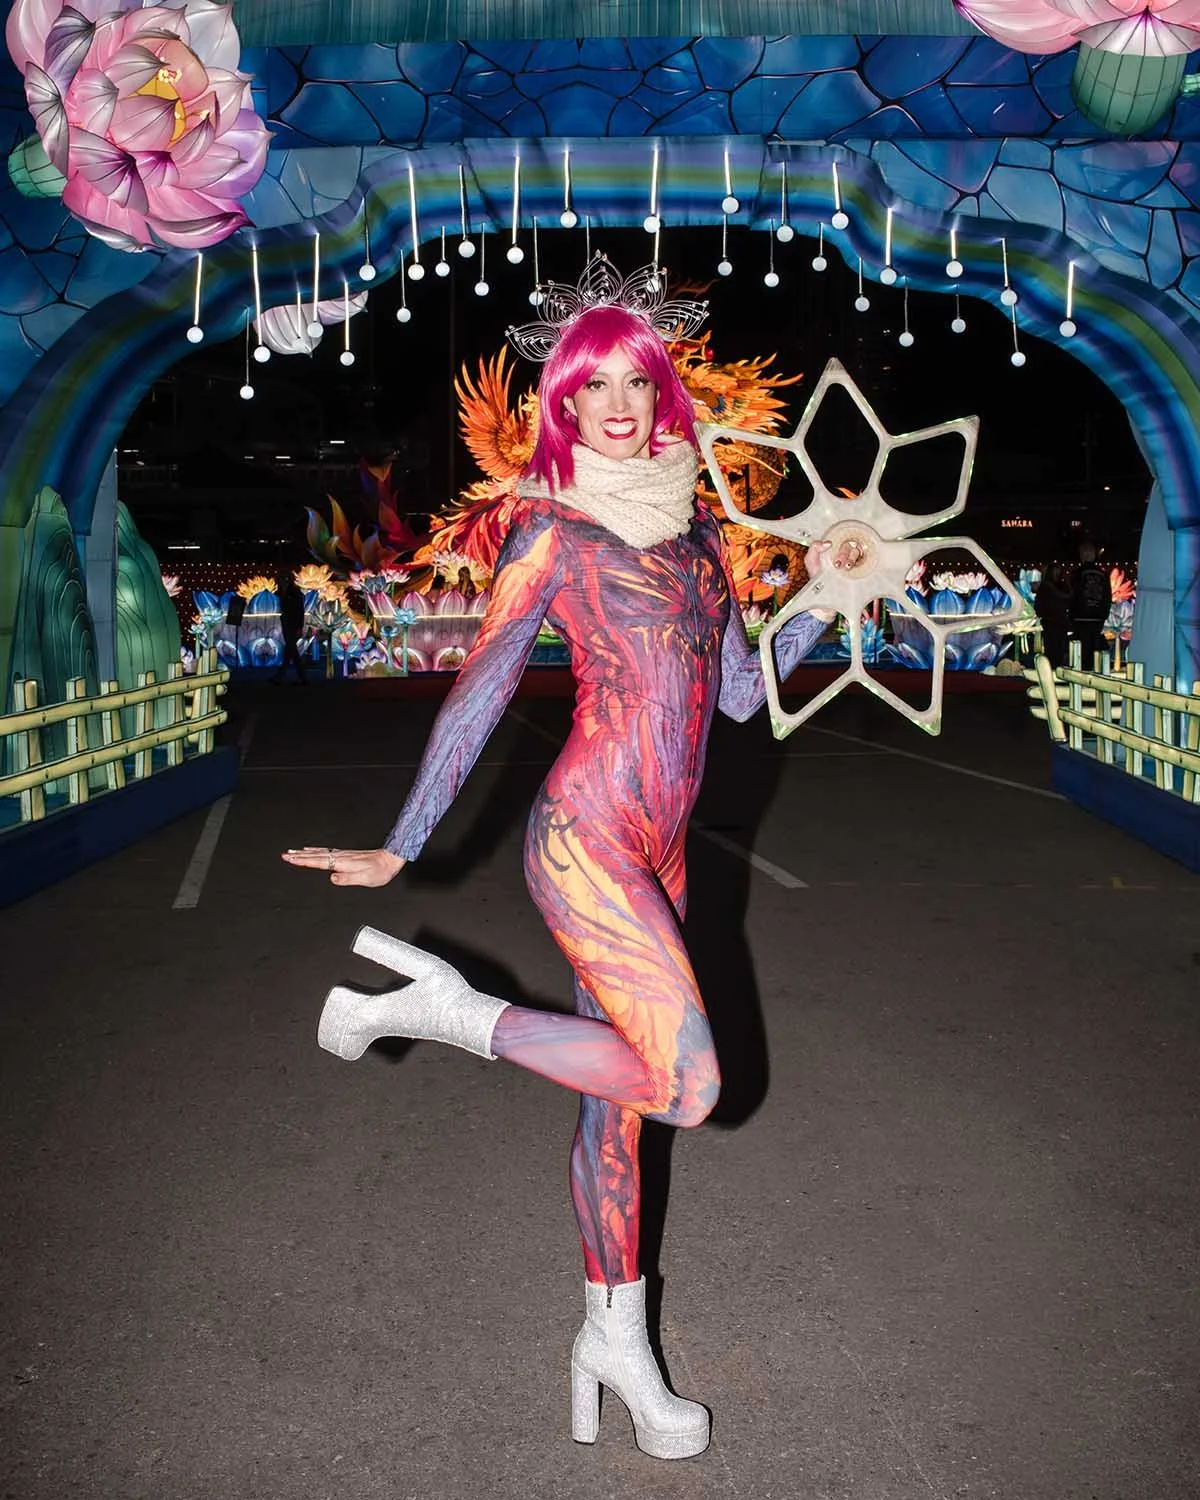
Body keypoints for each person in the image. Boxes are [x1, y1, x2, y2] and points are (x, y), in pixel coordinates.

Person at [283, 267, 844, 1459]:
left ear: (663, 392)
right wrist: (402, 843)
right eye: (595, 388)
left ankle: (614, 1344)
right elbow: (479, 693)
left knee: (619, 1117)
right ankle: (451, 1013)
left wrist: (830, 596)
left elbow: (743, 698)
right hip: (584, 838)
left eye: (638, 381)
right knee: (689, 1084)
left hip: (665, 852)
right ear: (564, 408)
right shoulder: (553, 529)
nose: (622, 405)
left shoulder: (699, 531)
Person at [1069, 541, 1111, 668]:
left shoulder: (1076, 573)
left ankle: (1084, 670)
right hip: (1098, 616)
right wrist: (1104, 612)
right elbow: (1107, 595)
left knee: (1082, 648)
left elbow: (1072, 593)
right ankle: (1094, 670)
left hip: (1080, 616)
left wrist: (1071, 613)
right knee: (1094, 647)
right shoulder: (1102, 574)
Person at [270, 564, 308, 685]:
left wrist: (300, 627)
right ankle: (287, 677)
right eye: (281, 580)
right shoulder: (280, 593)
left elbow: (300, 610)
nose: (283, 582)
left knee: (291, 651)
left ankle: (281, 677)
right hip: (286, 624)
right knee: (290, 651)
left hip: (294, 625)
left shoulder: (295, 593)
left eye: (285, 579)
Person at [1033, 561, 1071, 669]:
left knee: (1059, 650)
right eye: (1055, 570)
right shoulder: (1045, 587)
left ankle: (1057, 669)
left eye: (1058, 570)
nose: (1057, 573)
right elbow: (1039, 606)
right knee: (1051, 650)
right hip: (1050, 624)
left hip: (1059, 623)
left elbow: (1067, 599)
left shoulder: (1062, 586)